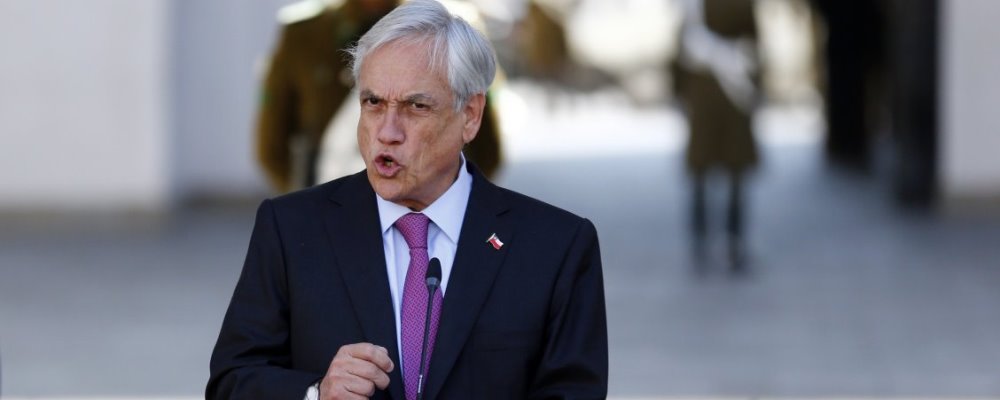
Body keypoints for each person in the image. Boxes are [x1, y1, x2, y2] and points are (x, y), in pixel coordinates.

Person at [207, 1, 608, 399]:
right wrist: (315, 393)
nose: (387, 132)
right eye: (373, 103)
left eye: (416, 107)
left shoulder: (557, 247)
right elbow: (231, 382)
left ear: (470, 115)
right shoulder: (290, 229)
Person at [256, 0, 503, 193]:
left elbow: (486, 147)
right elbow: (271, 147)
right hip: (331, 217)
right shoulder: (304, 33)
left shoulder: (455, 28)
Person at [671, 0, 760, 269]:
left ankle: (720, 242)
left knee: (727, 174)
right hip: (713, 94)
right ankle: (718, 242)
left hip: (722, 94)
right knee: (712, 174)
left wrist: (678, 92)